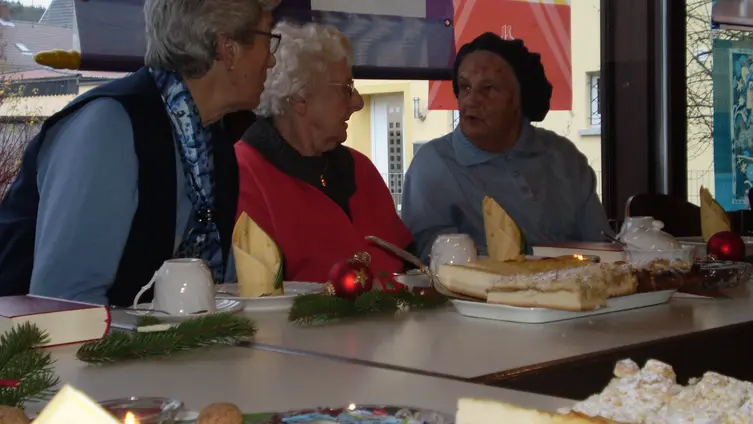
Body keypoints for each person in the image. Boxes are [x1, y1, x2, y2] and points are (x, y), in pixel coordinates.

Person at [0, 0, 280, 305]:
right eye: (268, 38)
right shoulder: (111, 126)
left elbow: (221, 290)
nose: (272, 60)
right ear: (229, 49)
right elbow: (64, 303)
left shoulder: (215, 141)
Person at [401, 33, 612, 262]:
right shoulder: (433, 165)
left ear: (520, 100)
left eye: (488, 89)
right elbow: (437, 262)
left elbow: (601, 248)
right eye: (465, 87)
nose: (471, 100)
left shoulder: (563, 157)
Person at [235, 22, 413, 283]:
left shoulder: (361, 168)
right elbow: (257, 294)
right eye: (346, 89)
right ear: (300, 98)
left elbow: (411, 264)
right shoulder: (244, 174)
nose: (357, 102)